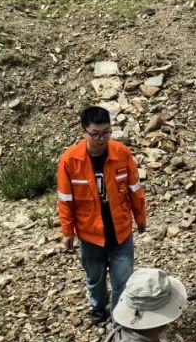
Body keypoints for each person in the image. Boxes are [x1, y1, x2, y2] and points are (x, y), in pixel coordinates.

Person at [58, 106, 147, 323]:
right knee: (95, 278)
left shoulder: (122, 153)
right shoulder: (70, 161)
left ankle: (119, 318)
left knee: (123, 279)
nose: (102, 138)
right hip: (90, 234)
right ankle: (98, 307)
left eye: (106, 132)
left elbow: (134, 189)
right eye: (95, 134)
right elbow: (65, 199)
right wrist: (67, 231)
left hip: (120, 231)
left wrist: (140, 217)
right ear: (83, 132)